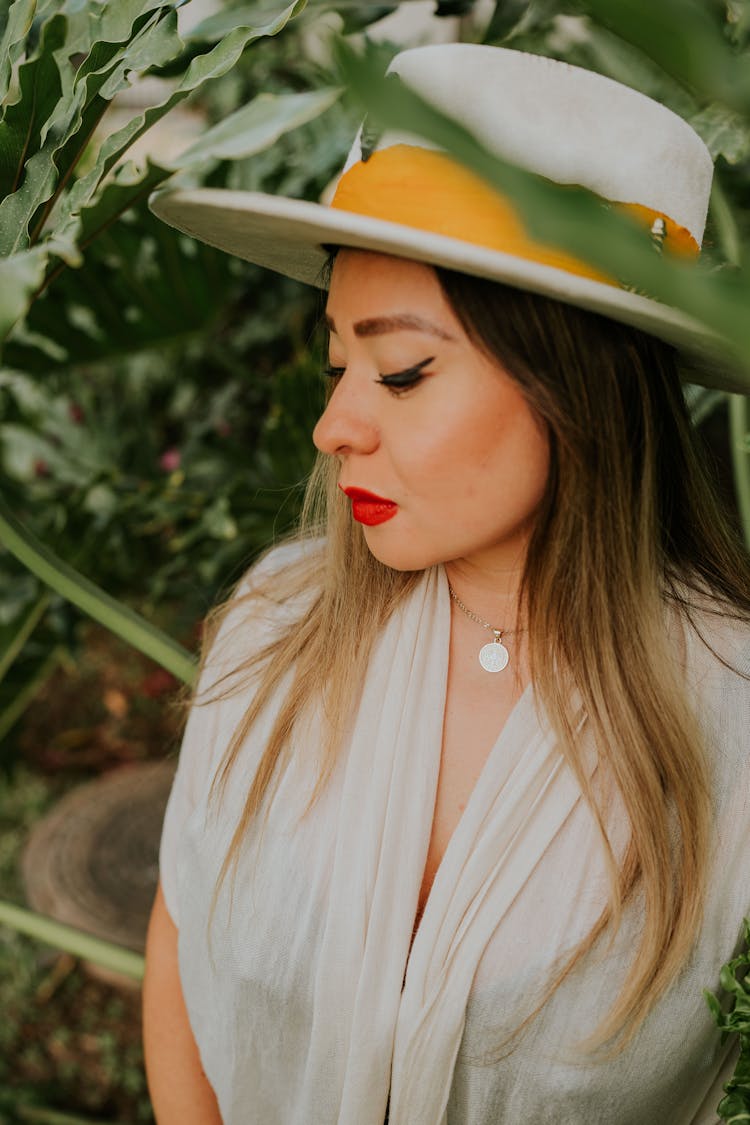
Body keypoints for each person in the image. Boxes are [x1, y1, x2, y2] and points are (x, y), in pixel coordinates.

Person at [143, 42, 750, 1125]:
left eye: (404, 372)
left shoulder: (733, 718)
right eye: (338, 364)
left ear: (578, 383)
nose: (335, 427)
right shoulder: (274, 629)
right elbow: (182, 925)